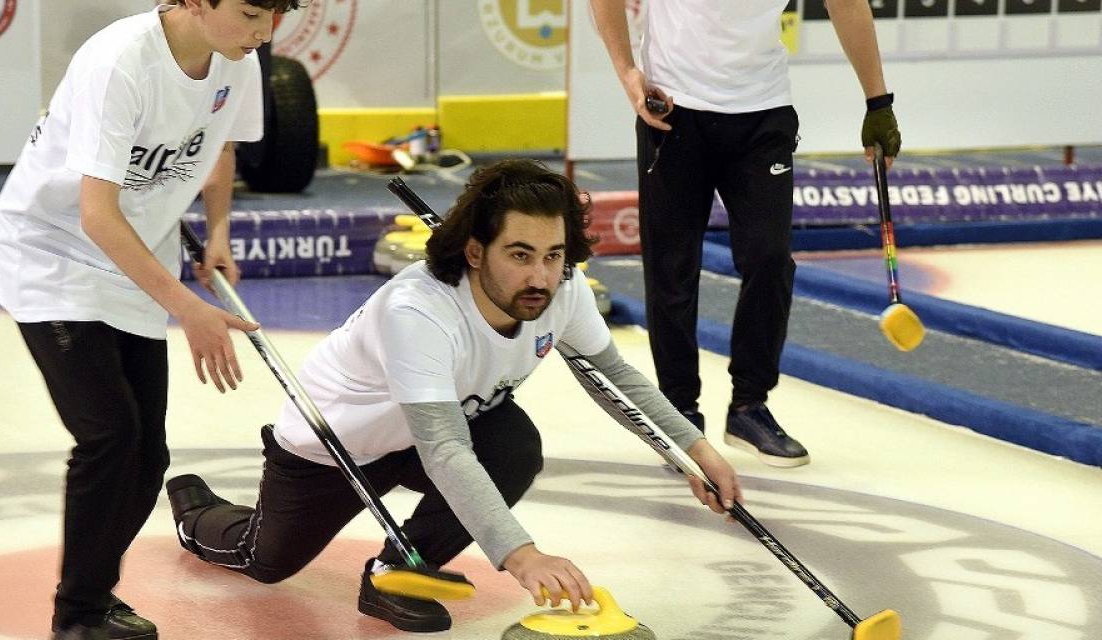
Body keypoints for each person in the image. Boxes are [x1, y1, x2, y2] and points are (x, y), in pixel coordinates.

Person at [164, 159, 743, 633]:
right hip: (335, 446)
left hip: (437, 431)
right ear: (474, 251)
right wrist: (522, 554)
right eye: (520, 255)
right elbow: (443, 448)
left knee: (513, 444)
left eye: (554, 254)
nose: (541, 276)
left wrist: (693, 451)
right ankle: (198, 510)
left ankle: (395, 574)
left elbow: (616, 378)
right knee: (266, 563)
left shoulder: (560, 290)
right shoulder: (417, 309)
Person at [0, 1, 301, 638]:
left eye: (274, 14)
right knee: (109, 437)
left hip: (137, 256)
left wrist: (219, 231)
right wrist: (187, 307)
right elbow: (97, 214)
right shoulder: (119, 63)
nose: (264, 32)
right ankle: (76, 616)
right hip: (55, 254)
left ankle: (96, 595)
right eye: (248, 12)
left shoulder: (236, 56)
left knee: (147, 455)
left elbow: (217, 146)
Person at [588, 0, 903, 468]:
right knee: (672, 267)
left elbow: (846, 3)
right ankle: (677, 410)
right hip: (673, 112)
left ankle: (749, 407)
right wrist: (626, 70)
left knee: (770, 258)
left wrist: (878, 102)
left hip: (763, 112)